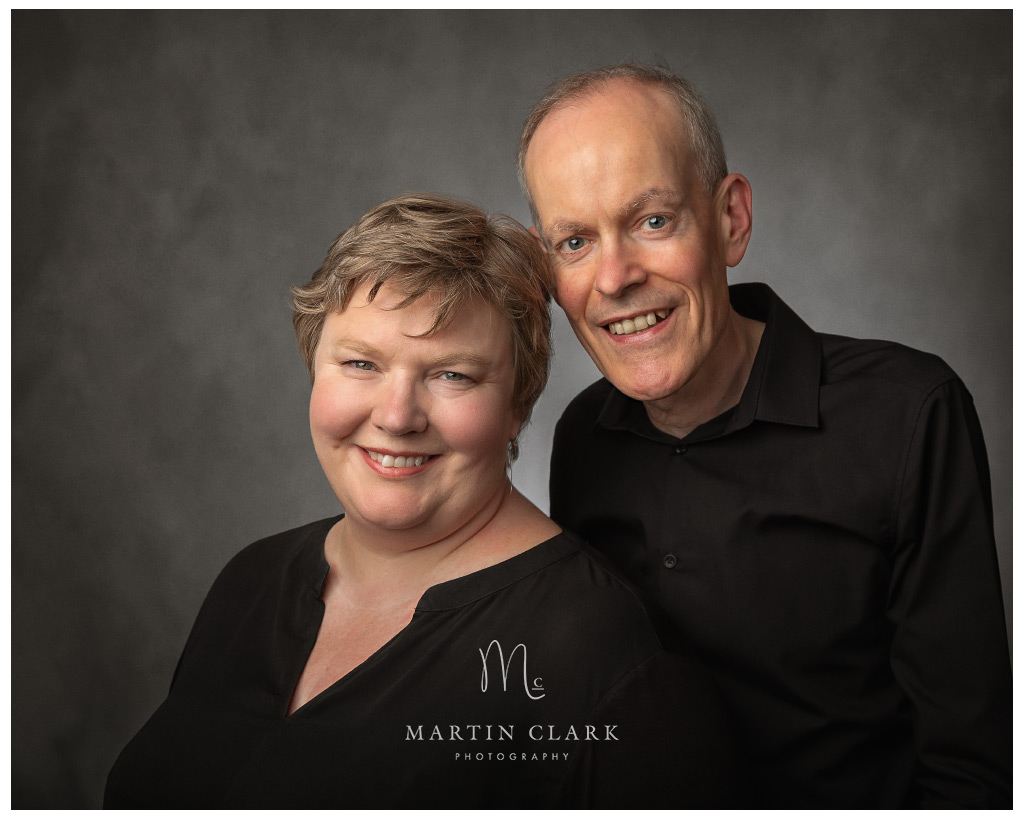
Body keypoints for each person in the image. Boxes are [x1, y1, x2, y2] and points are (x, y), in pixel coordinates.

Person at [103, 193, 740, 808]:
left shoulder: (606, 661)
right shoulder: (252, 581)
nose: (398, 416)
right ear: (312, 365)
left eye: (451, 375)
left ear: (518, 403)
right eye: (360, 364)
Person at [519, 64, 1011, 808]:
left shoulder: (908, 415)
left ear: (730, 219)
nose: (614, 277)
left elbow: (970, 775)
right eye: (575, 242)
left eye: (652, 221)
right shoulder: (584, 435)